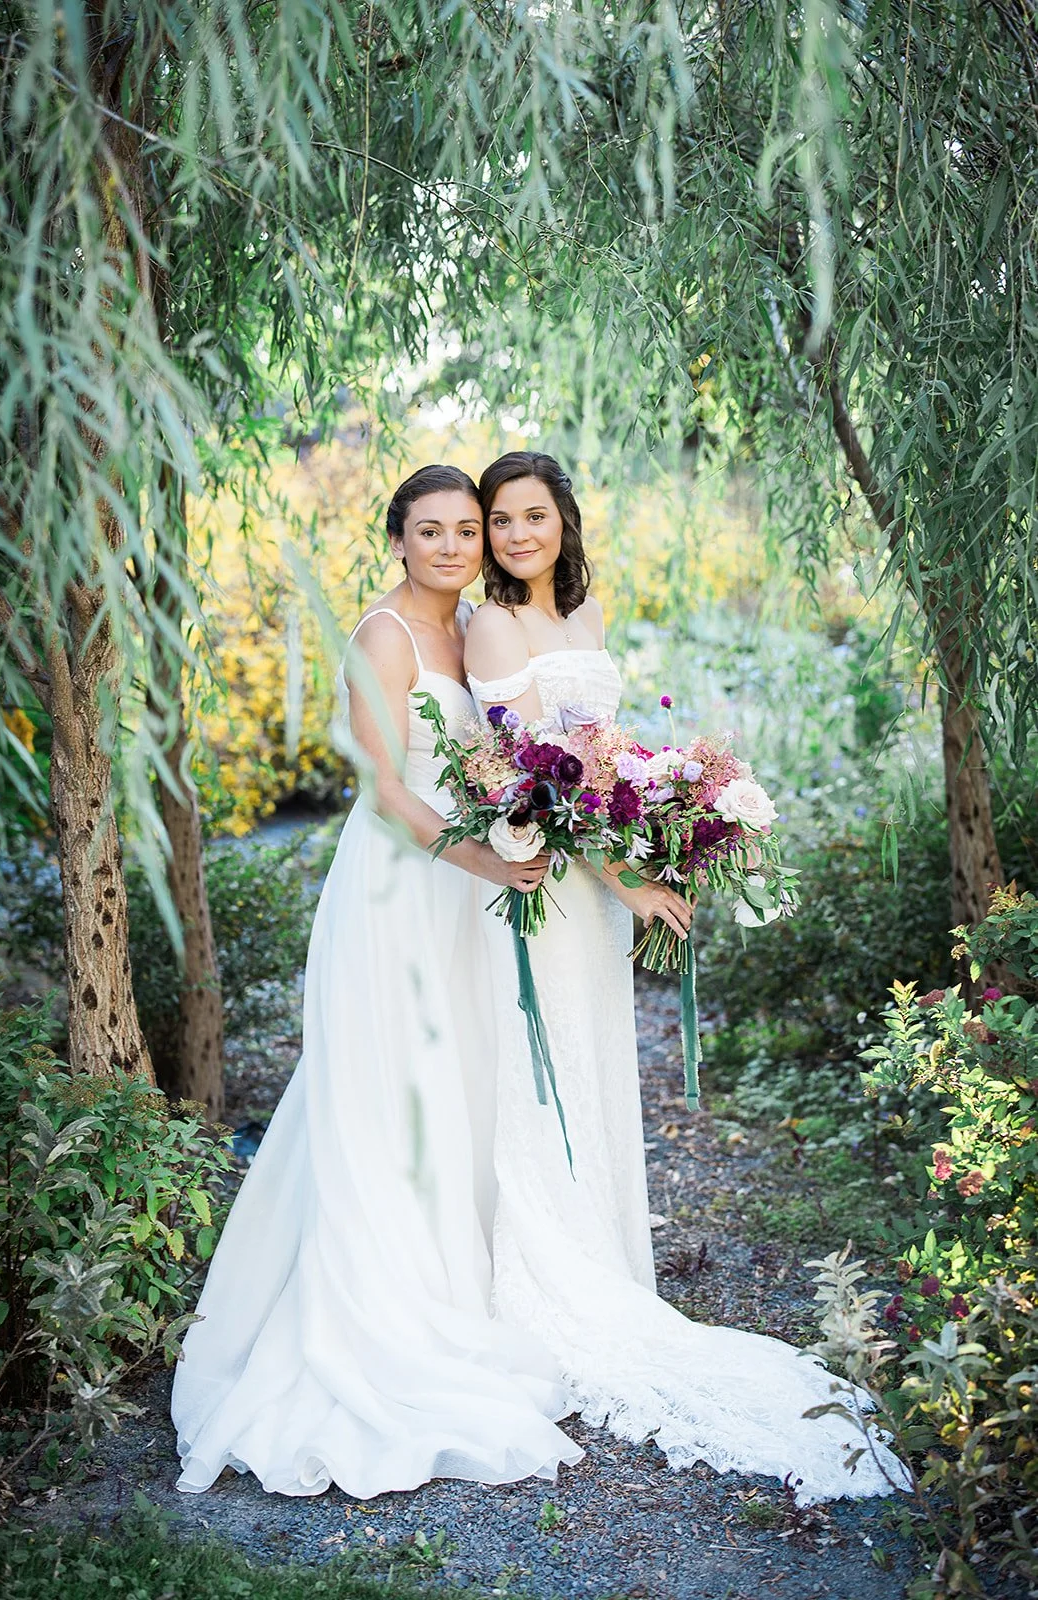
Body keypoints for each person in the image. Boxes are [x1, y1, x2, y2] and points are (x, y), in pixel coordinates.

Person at [463, 451, 910, 1505]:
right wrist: (629, 882)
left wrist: (667, 820)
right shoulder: (493, 627)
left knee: (592, 1058)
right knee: (542, 1067)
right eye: (499, 520)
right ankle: (545, 1266)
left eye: (533, 515)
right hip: (549, 883)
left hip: (594, 884)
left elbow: (602, 759)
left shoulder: (585, 612)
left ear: (564, 521)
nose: (516, 535)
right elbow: (538, 781)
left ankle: (602, 1250)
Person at [172, 464, 581, 1499]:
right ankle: (377, 1314)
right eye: (428, 530)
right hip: (397, 891)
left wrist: (527, 821)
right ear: (396, 539)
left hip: (462, 894)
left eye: (465, 530)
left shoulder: (475, 630)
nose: (451, 546)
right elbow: (386, 788)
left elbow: (500, 759)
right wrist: (485, 858)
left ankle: (456, 1288)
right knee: (383, 1093)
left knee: (454, 1090)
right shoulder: (383, 636)